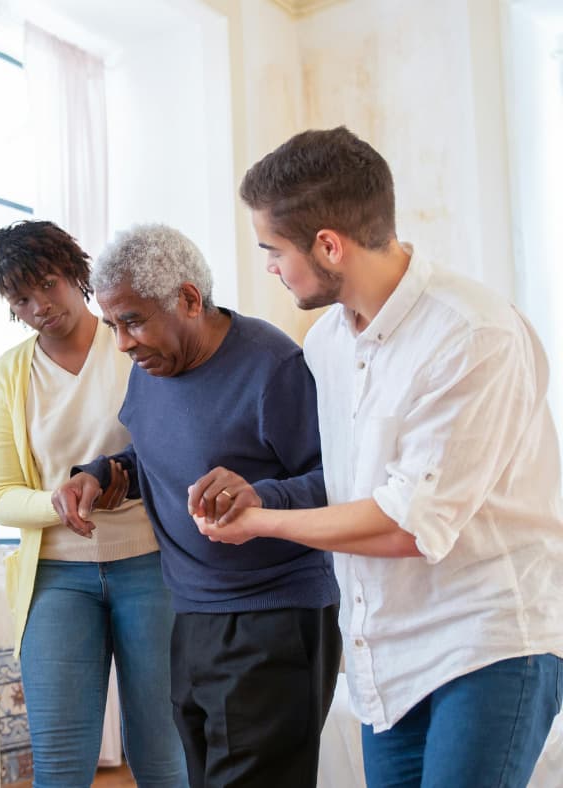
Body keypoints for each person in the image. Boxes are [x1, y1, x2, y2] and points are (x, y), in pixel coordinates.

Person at [192, 126, 563, 787]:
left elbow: (405, 524)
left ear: (329, 244)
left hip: (487, 642)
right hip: (382, 656)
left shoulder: (471, 333)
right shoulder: (326, 343)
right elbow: (346, 490)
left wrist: (262, 524)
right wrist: (261, 494)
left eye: (273, 250)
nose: (271, 268)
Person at [51, 223, 342, 788]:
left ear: (188, 299)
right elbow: (155, 455)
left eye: (132, 321)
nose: (123, 344)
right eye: (113, 325)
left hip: (274, 617)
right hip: (189, 615)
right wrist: (101, 475)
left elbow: (340, 480)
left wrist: (262, 496)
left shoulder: (272, 367)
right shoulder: (152, 368)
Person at [0, 220, 187, 788]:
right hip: (56, 578)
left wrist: (124, 477)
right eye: (21, 298)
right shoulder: (7, 378)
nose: (40, 305)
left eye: (48, 284)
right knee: (61, 762)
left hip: (151, 564)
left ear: (76, 274)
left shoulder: (132, 346)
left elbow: (179, 446)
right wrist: (59, 500)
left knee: (164, 754)